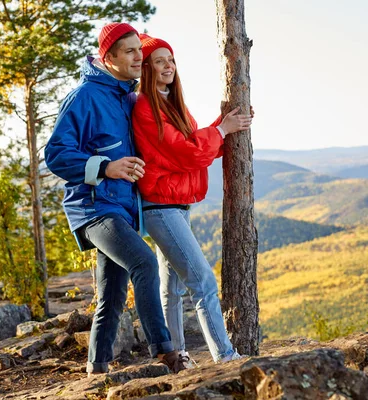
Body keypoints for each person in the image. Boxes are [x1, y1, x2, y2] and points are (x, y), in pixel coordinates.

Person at [45, 23, 188, 375]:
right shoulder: (85, 96)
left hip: (123, 209)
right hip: (93, 208)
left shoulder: (128, 97)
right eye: (129, 51)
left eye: (139, 50)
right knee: (144, 262)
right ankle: (166, 351)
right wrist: (105, 167)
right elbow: (55, 154)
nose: (139, 57)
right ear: (109, 58)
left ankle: (97, 366)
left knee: (111, 292)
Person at [132, 34, 253, 365]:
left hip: (176, 207)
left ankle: (179, 357)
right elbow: (186, 152)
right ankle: (226, 357)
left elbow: (195, 146)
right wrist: (222, 130)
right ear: (146, 68)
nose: (168, 65)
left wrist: (222, 126)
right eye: (159, 61)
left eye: (170, 60)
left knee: (173, 289)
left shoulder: (171, 104)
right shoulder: (145, 107)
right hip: (161, 208)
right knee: (202, 281)